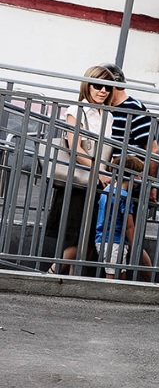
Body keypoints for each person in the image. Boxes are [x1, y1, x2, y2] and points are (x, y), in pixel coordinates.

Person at [46, 65, 116, 276]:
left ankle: (65, 282)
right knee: (79, 239)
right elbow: (75, 147)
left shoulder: (108, 115)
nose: (103, 90)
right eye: (98, 85)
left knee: (87, 241)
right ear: (88, 85)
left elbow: (107, 149)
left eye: (107, 87)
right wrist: (99, 172)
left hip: (97, 183)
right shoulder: (76, 110)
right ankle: (50, 274)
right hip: (78, 181)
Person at [94, 155, 154, 280]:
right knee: (112, 276)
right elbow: (129, 226)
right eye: (137, 175)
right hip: (114, 241)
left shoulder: (108, 189)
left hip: (103, 238)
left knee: (120, 274)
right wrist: (134, 246)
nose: (139, 178)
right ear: (130, 176)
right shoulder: (124, 196)